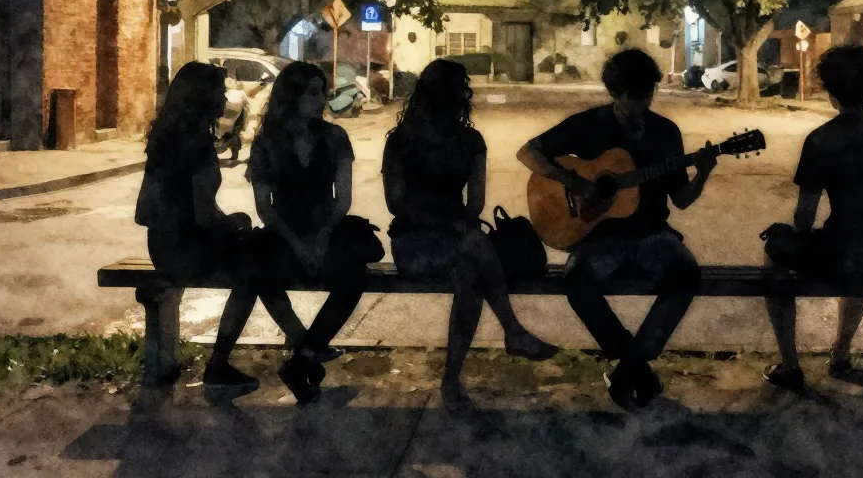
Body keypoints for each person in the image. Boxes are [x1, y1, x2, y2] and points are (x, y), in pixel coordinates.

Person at [517, 48, 715, 411]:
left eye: (648, 94)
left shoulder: (665, 133)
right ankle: (635, 363)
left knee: (686, 275)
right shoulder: (589, 124)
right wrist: (573, 182)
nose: (643, 103)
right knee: (576, 280)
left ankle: (629, 366)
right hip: (599, 235)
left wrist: (703, 171)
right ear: (616, 92)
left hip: (651, 234)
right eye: (635, 96)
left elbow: (682, 199)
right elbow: (528, 153)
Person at [384, 59, 558, 411]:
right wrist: (450, 224)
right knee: (475, 245)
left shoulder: (405, 139)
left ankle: (452, 380)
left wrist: (454, 227)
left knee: (468, 276)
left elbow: (398, 201)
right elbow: (411, 205)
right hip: (416, 243)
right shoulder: (446, 140)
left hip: (446, 241)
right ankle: (512, 331)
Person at [134, 63, 303, 390]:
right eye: (219, 90)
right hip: (185, 249)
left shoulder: (166, 139)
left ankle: (301, 343)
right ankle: (228, 362)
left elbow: (152, 209)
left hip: (164, 244)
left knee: (256, 259)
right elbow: (203, 216)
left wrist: (221, 224)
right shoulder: (195, 145)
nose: (225, 97)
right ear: (202, 96)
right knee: (256, 265)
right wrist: (232, 222)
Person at [762, 45, 863, 392]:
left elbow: (804, 219)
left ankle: (790, 365)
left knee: (775, 257)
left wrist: (789, 235)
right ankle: (841, 355)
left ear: (830, 92)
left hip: (849, 257)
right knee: (860, 245)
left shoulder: (822, 139)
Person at [248, 61, 373, 405]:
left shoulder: (335, 138)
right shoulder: (267, 143)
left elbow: (342, 199)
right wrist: (297, 243)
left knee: (354, 275)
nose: (322, 100)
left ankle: (304, 357)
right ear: (292, 96)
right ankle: (306, 347)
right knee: (256, 268)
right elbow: (265, 208)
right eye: (313, 93)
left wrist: (321, 236)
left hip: (326, 230)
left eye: (323, 92)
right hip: (285, 232)